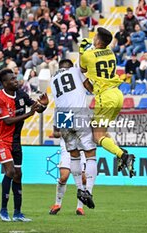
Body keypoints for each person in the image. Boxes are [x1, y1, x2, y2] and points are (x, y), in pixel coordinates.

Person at [0, 68, 49, 222]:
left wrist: (44, 104)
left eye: (16, 78)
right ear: (4, 83)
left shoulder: (21, 94)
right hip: (1, 139)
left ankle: (17, 213)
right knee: (9, 171)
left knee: (18, 175)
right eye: (12, 79)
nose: (16, 81)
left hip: (16, 141)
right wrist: (29, 114)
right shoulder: (0, 98)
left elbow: (38, 108)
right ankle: (3, 210)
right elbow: (7, 121)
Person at [80, 27, 136, 177]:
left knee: (97, 137)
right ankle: (120, 153)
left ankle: (123, 155)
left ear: (98, 41)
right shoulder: (111, 52)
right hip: (117, 95)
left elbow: (82, 68)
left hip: (105, 97)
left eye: (95, 37)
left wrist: (81, 52)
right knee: (102, 132)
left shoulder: (88, 55)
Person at [50, 59, 97, 210]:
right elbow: (91, 88)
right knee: (91, 154)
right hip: (78, 114)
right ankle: (87, 191)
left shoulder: (53, 80)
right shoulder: (76, 71)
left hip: (64, 118)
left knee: (74, 155)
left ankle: (79, 191)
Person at [49, 129, 88, 216]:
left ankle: (80, 207)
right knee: (64, 177)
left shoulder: (83, 117)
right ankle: (57, 204)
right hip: (66, 151)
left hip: (81, 152)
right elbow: (55, 133)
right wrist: (62, 133)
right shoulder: (63, 116)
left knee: (83, 179)